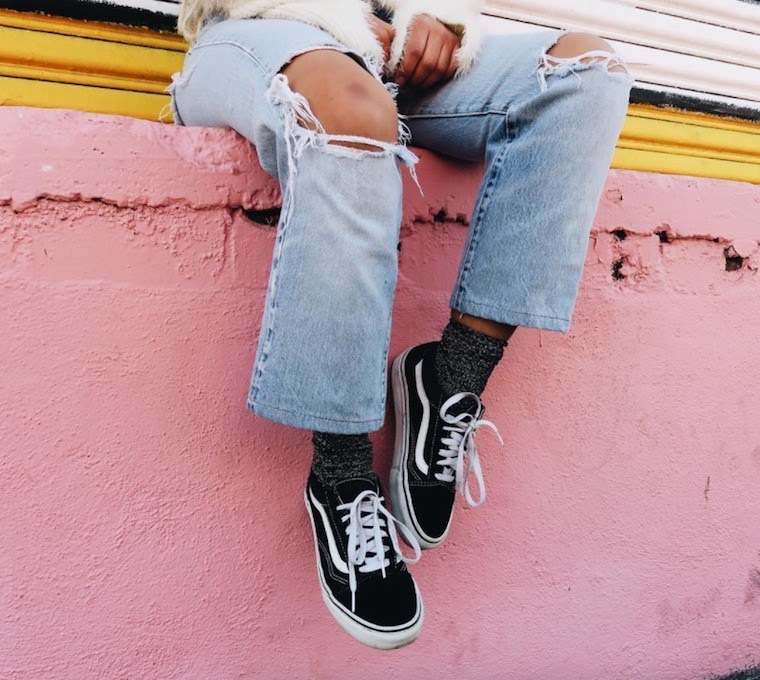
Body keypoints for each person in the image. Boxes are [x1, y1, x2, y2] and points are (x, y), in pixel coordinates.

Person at [169, 0, 633, 649]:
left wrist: (435, 21)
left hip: (381, 57)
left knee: (585, 71)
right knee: (351, 109)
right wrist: (341, 20)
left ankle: (449, 379)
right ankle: (340, 477)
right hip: (254, 32)